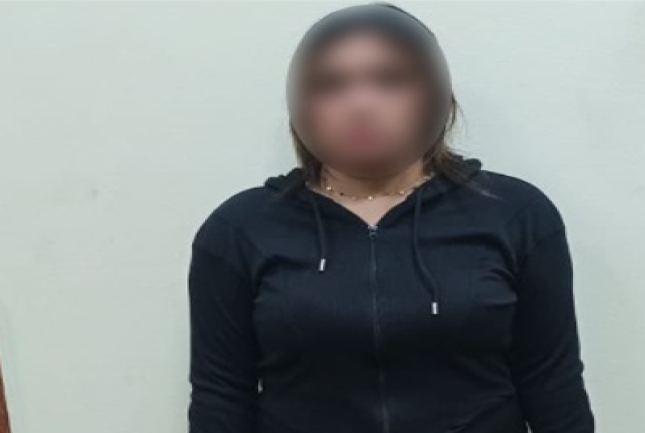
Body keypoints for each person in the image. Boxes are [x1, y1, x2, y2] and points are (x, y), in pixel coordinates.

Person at [186, 3, 595, 433]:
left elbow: (552, 383)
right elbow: (221, 397)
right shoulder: (241, 229)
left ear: (436, 95)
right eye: (331, 85)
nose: (361, 104)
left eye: (391, 80)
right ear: (300, 102)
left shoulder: (514, 213)